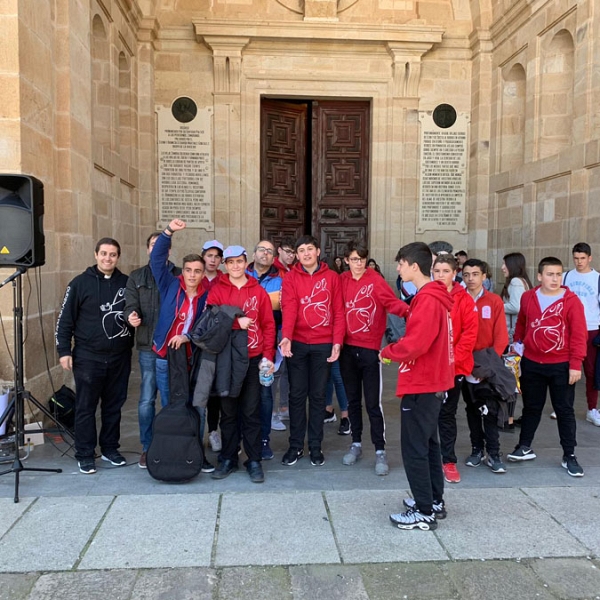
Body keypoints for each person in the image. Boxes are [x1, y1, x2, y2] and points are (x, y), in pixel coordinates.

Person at [381, 242, 453, 531]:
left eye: (400, 264)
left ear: (413, 266)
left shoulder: (427, 298)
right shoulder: (433, 296)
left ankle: (424, 511)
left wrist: (387, 352)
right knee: (429, 445)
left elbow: (416, 344)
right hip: (433, 382)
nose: (398, 269)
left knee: (414, 449)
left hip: (422, 383)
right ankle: (433, 500)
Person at [56, 237, 133, 474]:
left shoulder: (127, 283)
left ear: (118, 257)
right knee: (86, 407)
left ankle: (110, 448)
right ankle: (85, 454)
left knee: (114, 405)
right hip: (88, 357)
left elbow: (135, 310)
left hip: (120, 356)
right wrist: (63, 351)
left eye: (112, 254)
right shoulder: (79, 284)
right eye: (104, 253)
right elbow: (64, 320)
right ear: (96, 255)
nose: (108, 258)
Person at [508, 257, 587, 477]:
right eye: (550, 274)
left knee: (564, 410)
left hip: (561, 365)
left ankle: (569, 455)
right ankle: (524, 446)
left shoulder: (571, 301)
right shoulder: (528, 297)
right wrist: (518, 347)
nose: (555, 279)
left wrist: (575, 365)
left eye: (558, 274)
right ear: (540, 276)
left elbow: (579, 335)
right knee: (532, 408)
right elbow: (522, 324)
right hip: (532, 363)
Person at [208, 245, 276, 483]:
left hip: (253, 357)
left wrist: (268, 356)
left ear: (245, 263)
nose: (235, 266)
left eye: (239, 261)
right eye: (231, 262)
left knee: (251, 411)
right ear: (225, 265)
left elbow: (268, 325)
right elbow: (212, 321)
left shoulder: (257, 290)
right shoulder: (217, 290)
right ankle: (228, 457)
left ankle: (254, 459)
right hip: (226, 359)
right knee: (228, 411)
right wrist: (238, 323)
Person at [340, 240, 408, 475]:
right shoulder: (341, 281)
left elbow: (392, 303)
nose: (358, 264)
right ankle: (356, 444)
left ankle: (380, 449)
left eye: (362, 259)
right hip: (347, 349)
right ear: (347, 260)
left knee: (372, 403)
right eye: (354, 259)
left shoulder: (376, 280)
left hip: (370, 350)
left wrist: (412, 311)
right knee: (352, 400)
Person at [150, 220, 213, 472]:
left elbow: (210, 324)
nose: (192, 275)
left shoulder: (208, 292)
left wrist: (188, 337)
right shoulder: (169, 285)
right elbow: (156, 259)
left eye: (197, 271)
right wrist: (168, 233)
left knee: (198, 407)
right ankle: (171, 454)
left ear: (202, 272)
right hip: (167, 357)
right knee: (172, 407)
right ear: (182, 271)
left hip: (194, 358)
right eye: (188, 270)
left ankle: (196, 453)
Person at [279, 234, 345, 467]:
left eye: (310, 249)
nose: (306, 253)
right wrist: (286, 337)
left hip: (322, 343)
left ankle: (315, 446)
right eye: (301, 250)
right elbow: (289, 308)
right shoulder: (290, 278)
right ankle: (296, 445)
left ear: (318, 251)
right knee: (296, 396)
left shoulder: (332, 277)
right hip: (296, 343)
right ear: (296, 256)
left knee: (318, 396)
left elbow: (338, 311)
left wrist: (337, 341)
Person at [123, 231, 181, 468]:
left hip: (173, 347)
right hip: (148, 346)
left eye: (162, 245)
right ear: (148, 249)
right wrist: (131, 316)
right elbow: (130, 304)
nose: (157, 249)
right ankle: (147, 447)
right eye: (153, 245)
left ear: (168, 250)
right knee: (147, 400)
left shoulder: (179, 274)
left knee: (170, 399)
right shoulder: (136, 276)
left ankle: (170, 445)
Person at [433, 254, 478, 484]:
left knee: (447, 414)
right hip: (430, 367)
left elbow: (469, 334)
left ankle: (448, 459)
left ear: (454, 273)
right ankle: (428, 457)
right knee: (427, 414)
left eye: (445, 271)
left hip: (454, 367)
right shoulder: (427, 295)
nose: (441, 275)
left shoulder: (464, 299)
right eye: (437, 271)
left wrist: (451, 361)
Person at [461, 258, 509, 473]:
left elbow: (500, 337)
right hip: (465, 363)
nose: (471, 279)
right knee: (471, 409)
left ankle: (494, 452)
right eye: (466, 275)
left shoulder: (494, 301)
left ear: (484, 276)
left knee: (489, 410)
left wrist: (489, 366)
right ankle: (476, 449)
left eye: (475, 274)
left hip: (487, 364)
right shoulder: (458, 300)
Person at [245, 240, 285, 461]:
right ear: (254, 253)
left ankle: (264, 440)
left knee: (265, 390)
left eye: (270, 251)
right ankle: (244, 438)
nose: (265, 253)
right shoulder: (241, 274)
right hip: (242, 343)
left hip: (269, 341)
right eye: (261, 249)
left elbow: (282, 309)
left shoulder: (281, 279)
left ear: (273, 256)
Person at [561, 242, 600, 427]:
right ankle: (562, 406)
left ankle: (592, 409)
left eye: (583, 258)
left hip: (592, 328)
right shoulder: (566, 276)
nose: (579, 262)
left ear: (589, 258)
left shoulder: (597, 279)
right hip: (568, 328)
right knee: (565, 369)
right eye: (576, 258)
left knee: (591, 372)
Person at [201, 239, 225, 452]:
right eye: (210, 255)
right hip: (196, 342)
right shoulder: (194, 276)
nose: (213, 259)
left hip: (218, 342)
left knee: (215, 391)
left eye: (217, 256)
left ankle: (213, 430)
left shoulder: (224, 280)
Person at [501, 252, 533, 344]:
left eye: (505, 264)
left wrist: (497, 306)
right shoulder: (522, 281)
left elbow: (515, 307)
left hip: (513, 331)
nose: (502, 268)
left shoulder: (516, 281)